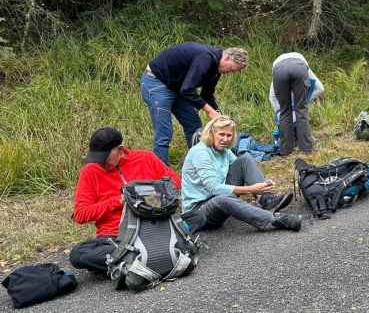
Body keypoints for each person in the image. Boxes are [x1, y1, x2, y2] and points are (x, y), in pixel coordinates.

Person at [69, 127, 181, 273]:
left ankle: (129, 263)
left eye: (104, 157)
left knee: (195, 217)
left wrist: (147, 195)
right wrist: (118, 201)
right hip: (116, 237)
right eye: (97, 158)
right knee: (78, 254)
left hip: (156, 226)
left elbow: (174, 184)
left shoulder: (145, 158)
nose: (100, 162)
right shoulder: (90, 171)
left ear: (120, 150)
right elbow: (80, 214)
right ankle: (148, 258)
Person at [180, 115, 301, 233]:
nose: (225, 139)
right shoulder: (200, 153)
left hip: (216, 198)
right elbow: (214, 188)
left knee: (245, 159)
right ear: (211, 133)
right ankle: (274, 220)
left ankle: (266, 199)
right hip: (197, 213)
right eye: (221, 134)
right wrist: (252, 189)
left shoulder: (224, 150)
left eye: (229, 135)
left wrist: (263, 185)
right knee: (222, 199)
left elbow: (242, 168)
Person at [140, 42, 248, 165]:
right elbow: (187, 90)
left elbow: (206, 95)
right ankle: (162, 172)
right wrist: (209, 111)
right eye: (231, 69)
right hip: (156, 82)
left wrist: (220, 115)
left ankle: (197, 164)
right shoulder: (206, 58)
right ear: (227, 58)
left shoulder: (216, 68)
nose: (230, 72)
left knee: (194, 125)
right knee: (164, 131)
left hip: (177, 86)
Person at [270, 52, 324, 156]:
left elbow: (272, 97)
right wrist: (304, 101)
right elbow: (320, 88)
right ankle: (306, 148)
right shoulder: (302, 62)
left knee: (285, 111)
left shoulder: (277, 65)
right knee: (301, 110)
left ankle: (285, 150)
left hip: (279, 71)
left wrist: (278, 112)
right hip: (299, 68)